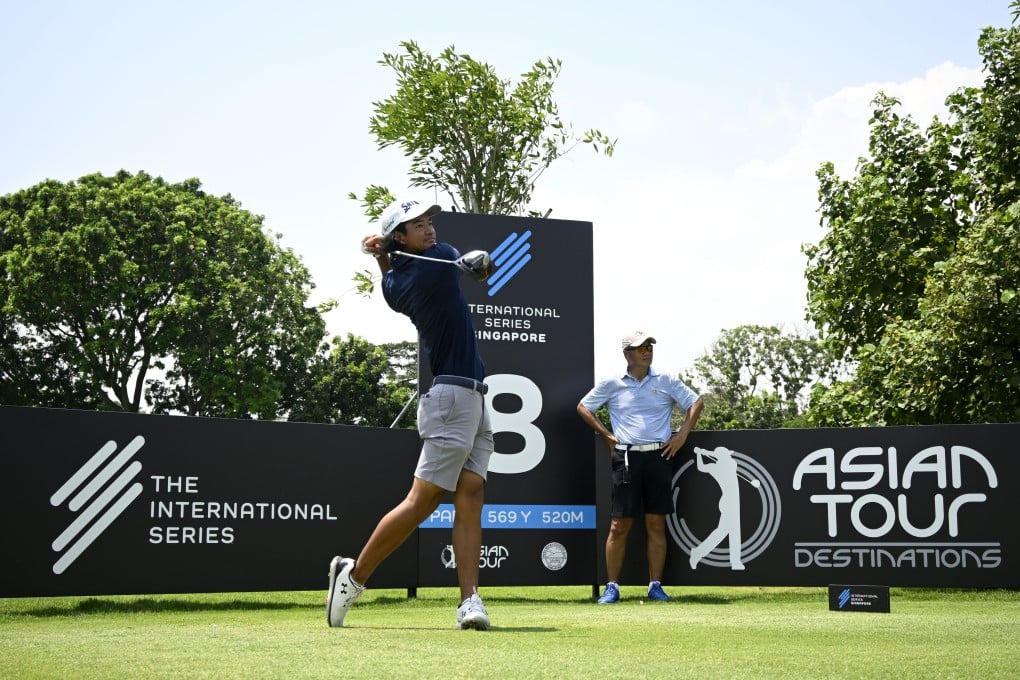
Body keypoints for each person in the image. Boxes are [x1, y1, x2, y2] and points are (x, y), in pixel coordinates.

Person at [327, 197, 494, 630]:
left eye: (428, 221)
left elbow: (390, 277)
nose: (429, 229)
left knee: (471, 495)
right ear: (399, 237)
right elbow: (458, 261)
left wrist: (381, 254)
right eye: (416, 225)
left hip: (473, 398)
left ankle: (470, 601)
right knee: (422, 502)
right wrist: (383, 252)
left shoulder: (395, 283)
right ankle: (353, 577)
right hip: (453, 398)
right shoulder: (436, 263)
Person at [576, 331, 703, 603]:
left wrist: (682, 435)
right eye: (640, 348)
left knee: (656, 523)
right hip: (626, 458)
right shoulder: (612, 383)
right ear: (627, 354)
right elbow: (584, 407)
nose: (647, 351)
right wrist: (606, 434)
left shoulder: (666, 380)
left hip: (660, 455)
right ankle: (612, 587)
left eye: (649, 347)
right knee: (618, 525)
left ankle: (655, 586)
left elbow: (695, 402)